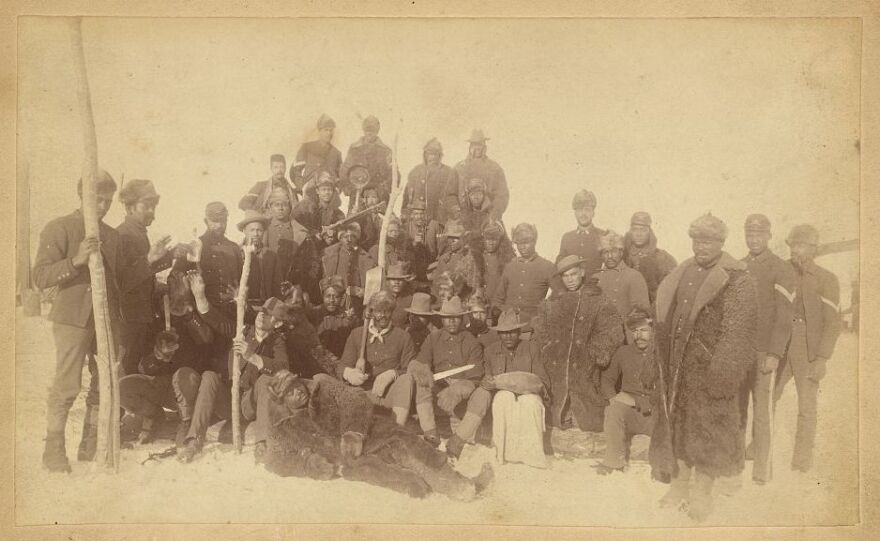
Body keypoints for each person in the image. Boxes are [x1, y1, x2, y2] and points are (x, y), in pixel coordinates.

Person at [649, 213, 757, 522]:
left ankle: (702, 491)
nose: (701, 247)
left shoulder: (737, 278)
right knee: (680, 424)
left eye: (708, 241)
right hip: (679, 366)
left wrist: (722, 374)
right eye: (697, 240)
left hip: (711, 370)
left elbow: (739, 333)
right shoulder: (683, 271)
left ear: (721, 243)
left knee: (709, 429)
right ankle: (680, 484)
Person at [264, 370, 494, 501]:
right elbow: (274, 460)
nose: (298, 392)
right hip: (348, 460)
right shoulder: (283, 425)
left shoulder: (321, 384)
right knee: (388, 473)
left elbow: (354, 399)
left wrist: (353, 431)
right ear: (282, 400)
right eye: (290, 393)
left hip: (369, 434)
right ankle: (425, 485)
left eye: (296, 385)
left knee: (409, 446)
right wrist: (308, 464)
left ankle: (460, 485)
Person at [34, 172, 123, 472]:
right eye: (96, 199)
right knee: (68, 383)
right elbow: (41, 277)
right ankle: (54, 450)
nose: (102, 206)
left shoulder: (112, 236)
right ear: (81, 196)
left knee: (105, 380)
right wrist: (76, 261)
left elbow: (117, 283)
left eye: (108, 201)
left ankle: (92, 443)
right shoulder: (60, 227)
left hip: (104, 321)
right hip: (72, 318)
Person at [119, 271, 214, 445]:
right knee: (123, 388)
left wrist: (189, 314)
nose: (174, 302)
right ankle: (153, 415)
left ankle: (186, 422)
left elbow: (206, 340)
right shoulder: (156, 320)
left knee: (183, 375)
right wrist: (158, 356)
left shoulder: (195, 313)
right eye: (171, 293)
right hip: (161, 386)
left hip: (187, 387)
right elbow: (143, 367)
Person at [533, 255, 624, 433]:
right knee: (555, 404)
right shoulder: (553, 302)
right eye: (565, 276)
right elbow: (540, 326)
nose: (570, 280)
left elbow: (612, 330)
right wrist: (547, 348)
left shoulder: (597, 299)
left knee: (587, 408)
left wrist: (594, 353)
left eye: (573, 274)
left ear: (582, 273)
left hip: (586, 364)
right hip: (557, 364)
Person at [776, 224, 840, 473]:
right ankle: (760, 448)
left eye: (800, 245)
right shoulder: (781, 271)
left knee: (806, 405)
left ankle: (801, 461)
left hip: (808, 345)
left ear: (813, 249)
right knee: (768, 396)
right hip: (781, 342)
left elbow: (833, 322)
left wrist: (822, 358)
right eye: (792, 245)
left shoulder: (827, 278)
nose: (795, 250)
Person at [737, 214, 795, 484]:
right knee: (737, 411)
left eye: (759, 234)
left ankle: (762, 472)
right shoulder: (739, 266)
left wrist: (774, 354)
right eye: (750, 234)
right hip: (740, 353)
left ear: (769, 236)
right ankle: (735, 465)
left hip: (764, 354)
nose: (754, 239)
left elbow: (785, 317)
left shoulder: (781, 268)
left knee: (762, 414)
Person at [411, 296, 488, 458]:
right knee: (422, 382)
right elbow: (421, 362)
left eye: (455, 318)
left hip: (463, 389)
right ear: (441, 319)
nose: (451, 322)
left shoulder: (471, 342)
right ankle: (431, 434)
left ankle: (457, 441)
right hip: (439, 387)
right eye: (447, 318)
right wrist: (424, 371)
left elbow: (476, 376)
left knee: (484, 394)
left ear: (461, 318)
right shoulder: (433, 338)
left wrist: (458, 389)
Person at [116, 179, 175, 376]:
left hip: (140, 319)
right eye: (146, 206)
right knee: (122, 375)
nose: (152, 213)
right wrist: (150, 259)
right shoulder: (122, 236)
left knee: (133, 374)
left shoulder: (138, 233)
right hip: (126, 322)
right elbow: (122, 282)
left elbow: (143, 273)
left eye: (153, 207)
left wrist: (172, 256)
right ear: (130, 206)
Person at [176, 269, 235, 462]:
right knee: (204, 375)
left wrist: (201, 300)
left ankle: (194, 434)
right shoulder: (193, 317)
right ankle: (193, 439)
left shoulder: (239, 319)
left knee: (210, 376)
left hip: (233, 399)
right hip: (211, 396)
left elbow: (224, 326)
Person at [338, 291, 419, 427]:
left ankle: (396, 430)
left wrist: (394, 374)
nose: (383, 316)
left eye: (387, 311)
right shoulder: (357, 334)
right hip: (363, 394)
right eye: (378, 311)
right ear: (371, 312)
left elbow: (411, 369)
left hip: (389, 397)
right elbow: (342, 365)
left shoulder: (403, 337)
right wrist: (350, 373)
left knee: (406, 379)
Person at [481, 308, 549, 469]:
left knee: (530, 402)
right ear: (498, 334)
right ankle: (502, 454)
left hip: (529, 392)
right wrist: (486, 383)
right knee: (503, 398)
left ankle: (532, 456)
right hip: (503, 393)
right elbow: (487, 378)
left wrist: (531, 388)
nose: (508, 336)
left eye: (512, 332)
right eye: (504, 333)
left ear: (519, 332)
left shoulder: (531, 348)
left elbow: (542, 379)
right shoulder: (491, 351)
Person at [596, 306, 657, 475]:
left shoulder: (662, 354)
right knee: (613, 410)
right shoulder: (624, 352)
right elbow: (607, 380)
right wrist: (613, 398)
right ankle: (613, 462)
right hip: (630, 413)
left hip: (655, 414)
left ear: (653, 330)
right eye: (634, 331)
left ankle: (661, 465)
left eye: (644, 330)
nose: (639, 335)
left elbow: (668, 392)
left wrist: (638, 401)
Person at [234, 297, 292, 463]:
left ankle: (261, 443)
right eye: (261, 311)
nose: (261, 315)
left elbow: (283, 368)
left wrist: (252, 357)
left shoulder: (277, 342)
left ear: (278, 323)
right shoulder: (243, 332)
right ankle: (193, 439)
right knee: (209, 377)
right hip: (233, 397)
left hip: (252, 403)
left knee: (266, 379)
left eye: (267, 314)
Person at [491, 223, 556, 324]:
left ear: (534, 242)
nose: (522, 247)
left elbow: (559, 292)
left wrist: (544, 309)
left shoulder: (547, 267)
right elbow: (498, 298)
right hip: (507, 322)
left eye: (526, 242)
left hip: (532, 324)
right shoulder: (510, 267)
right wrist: (497, 312)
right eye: (519, 243)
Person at [594, 230, 650, 328]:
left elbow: (642, 313)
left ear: (621, 252)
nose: (610, 256)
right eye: (605, 252)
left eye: (613, 251)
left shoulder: (634, 276)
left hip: (625, 334)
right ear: (601, 255)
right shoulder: (596, 278)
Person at [453, 129, 509, 221]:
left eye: (480, 145)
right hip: (463, 217)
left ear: (485, 147)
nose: (477, 148)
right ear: (470, 147)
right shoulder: (459, 168)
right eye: (474, 145)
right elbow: (450, 194)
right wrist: (456, 211)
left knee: (495, 233)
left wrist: (495, 212)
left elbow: (502, 195)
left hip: (488, 216)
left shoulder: (494, 168)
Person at [623, 211, 677, 304]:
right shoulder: (622, 256)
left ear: (649, 232)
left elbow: (670, 289)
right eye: (635, 229)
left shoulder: (662, 257)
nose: (638, 234)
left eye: (643, 230)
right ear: (630, 232)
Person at [340, 115, 393, 208]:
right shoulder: (355, 149)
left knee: (383, 221)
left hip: (379, 195)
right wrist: (349, 188)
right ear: (364, 131)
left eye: (372, 130)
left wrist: (383, 188)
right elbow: (345, 170)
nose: (369, 133)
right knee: (354, 221)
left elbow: (393, 174)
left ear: (377, 131)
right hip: (358, 194)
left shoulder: (386, 151)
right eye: (367, 130)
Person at [321, 222, 376, 311]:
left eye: (353, 236)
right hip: (334, 303)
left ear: (357, 238)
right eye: (345, 236)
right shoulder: (329, 255)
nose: (349, 240)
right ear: (340, 238)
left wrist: (362, 291)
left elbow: (372, 288)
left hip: (356, 304)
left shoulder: (365, 257)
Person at [403, 137, 460, 224]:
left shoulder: (448, 172)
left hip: (438, 218)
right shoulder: (415, 171)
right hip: (416, 219)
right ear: (425, 155)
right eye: (429, 154)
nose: (432, 157)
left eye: (435, 154)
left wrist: (454, 212)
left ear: (440, 156)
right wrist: (404, 213)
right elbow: (407, 196)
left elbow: (452, 196)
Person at [263, 187, 311, 283]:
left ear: (290, 207)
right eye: (277, 205)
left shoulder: (300, 231)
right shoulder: (262, 229)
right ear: (270, 207)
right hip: (266, 279)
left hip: (292, 281)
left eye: (284, 205)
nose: (281, 208)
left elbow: (309, 261)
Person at [556, 190, 606, 282]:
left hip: (597, 289)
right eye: (579, 210)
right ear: (575, 213)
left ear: (593, 213)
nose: (583, 214)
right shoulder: (567, 238)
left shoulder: (603, 236)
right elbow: (560, 267)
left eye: (587, 209)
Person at [237, 210, 283, 308]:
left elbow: (277, 286)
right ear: (244, 231)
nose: (256, 234)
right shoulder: (236, 253)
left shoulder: (271, 256)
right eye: (252, 230)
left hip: (265, 307)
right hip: (243, 307)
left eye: (259, 230)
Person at [290, 114, 343, 193]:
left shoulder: (336, 153)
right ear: (319, 131)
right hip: (310, 191)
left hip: (329, 193)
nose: (329, 133)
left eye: (331, 130)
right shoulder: (307, 147)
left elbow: (341, 176)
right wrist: (302, 186)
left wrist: (337, 189)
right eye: (326, 130)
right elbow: (295, 171)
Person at [308, 275, 357, 358]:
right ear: (322, 297)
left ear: (341, 298)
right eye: (328, 296)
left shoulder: (346, 317)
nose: (332, 300)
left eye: (336, 296)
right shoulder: (314, 313)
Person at [432, 220, 482, 300]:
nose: (452, 241)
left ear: (463, 239)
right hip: (443, 301)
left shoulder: (469, 259)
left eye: (456, 238)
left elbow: (472, 286)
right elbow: (435, 285)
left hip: (461, 302)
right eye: (450, 238)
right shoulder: (444, 258)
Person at [480, 221, 515, 315]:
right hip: (480, 307)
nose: (490, 243)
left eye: (494, 240)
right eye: (487, 239)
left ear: (500, 241)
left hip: (499, 306)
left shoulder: (506, 260)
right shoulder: (477, 257)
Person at [404, 199, 443, 284]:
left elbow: (441, 247)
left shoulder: (434, 225)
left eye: (421, 213)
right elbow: (404, 251)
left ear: (425, 214)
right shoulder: (407, 228)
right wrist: (414, 243)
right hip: (414, 268)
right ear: (412, 215)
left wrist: (437, 264)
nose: (419, 216)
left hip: (432, 265)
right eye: (416, 214)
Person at [384, 262, 417, 328]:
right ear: (387, 281)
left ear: (405, 282)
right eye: (393, 279)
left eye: (400, 279)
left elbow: (413, 322)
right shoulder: (380, 298)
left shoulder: (410, 299)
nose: (396, 282)